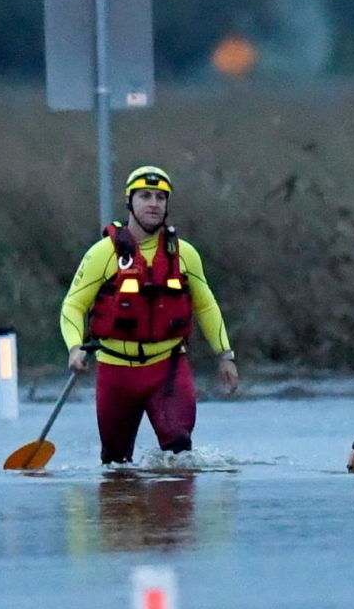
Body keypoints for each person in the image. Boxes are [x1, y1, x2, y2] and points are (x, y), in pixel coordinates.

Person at [60, 164, 240, 465]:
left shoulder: (185, 254)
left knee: (180, 452)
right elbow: (73, 305)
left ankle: (175, 510)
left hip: (167, 369)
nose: (154, 204)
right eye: (145, 196)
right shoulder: (103, 253)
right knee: (116, 463)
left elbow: (206, 305)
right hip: (115, 371)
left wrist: (225, 356)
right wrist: (75, 347)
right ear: (130, 201)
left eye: (160, 197)